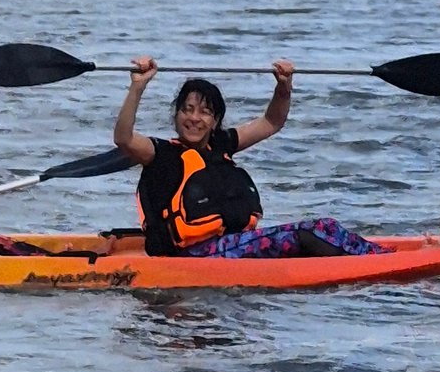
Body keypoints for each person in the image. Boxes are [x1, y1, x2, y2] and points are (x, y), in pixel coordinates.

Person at [112, 57, 380, 259]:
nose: (194, 118)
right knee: (305, 235)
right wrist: (137, 87)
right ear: (176, 115)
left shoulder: (221, 144)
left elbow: (272, 121)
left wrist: (284, 87)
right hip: (187, 256)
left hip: (228, 246)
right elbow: (124, 138)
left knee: (326, 225)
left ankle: (382, 255)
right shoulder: (160, 154)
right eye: (187, 110)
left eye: (205, 112)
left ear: (215, 121)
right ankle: (377, 267)